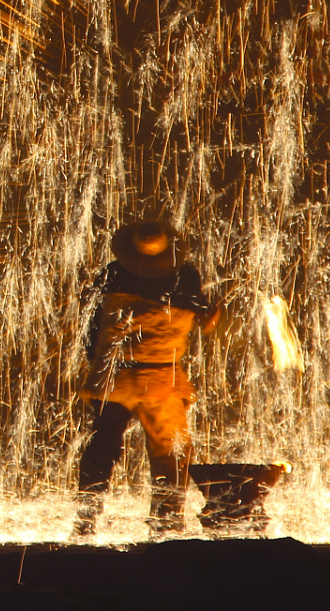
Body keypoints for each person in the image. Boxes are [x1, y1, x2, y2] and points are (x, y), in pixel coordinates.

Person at [71, 218, 222, 537]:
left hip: (114, 377)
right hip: (161, 381)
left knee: (101, 448)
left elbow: (89, 325)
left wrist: (97, 363)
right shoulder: (185, 276)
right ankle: (166, 524)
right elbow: (203, 317)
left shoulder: (112, 273)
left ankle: (86, 521)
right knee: (171, 453)